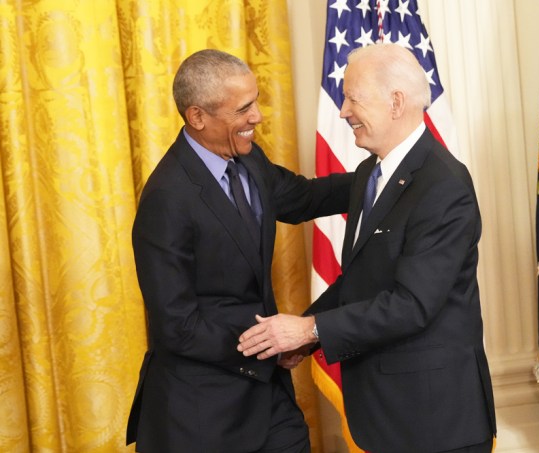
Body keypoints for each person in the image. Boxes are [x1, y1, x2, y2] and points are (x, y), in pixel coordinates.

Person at [237, 43, 496, 453]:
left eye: (352, 97)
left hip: (435, 426)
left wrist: (308, 329)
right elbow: (362, 278)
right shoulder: (371, 175)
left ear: (396, 103)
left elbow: (411, 305)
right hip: (388, 418)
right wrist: (307, 338)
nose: (342, 111)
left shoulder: (443, 186)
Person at [126, 49, 352, 453]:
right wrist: (269, 345)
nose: (258, 117)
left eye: (256, 101)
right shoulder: (167, 197)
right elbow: (176, 325)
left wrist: (386, 174)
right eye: (243, 108)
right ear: (198, 117)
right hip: (203, 414)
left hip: (269, 401)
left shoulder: (248, 159)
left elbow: (302, 198)